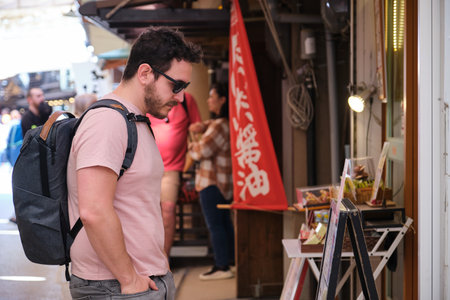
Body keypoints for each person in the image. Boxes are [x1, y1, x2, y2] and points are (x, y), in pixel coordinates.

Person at [67, 26, 202, 299]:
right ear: (145, 73)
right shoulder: (107, 121)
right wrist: (129, 278)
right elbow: (93, 210)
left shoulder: (133, 119)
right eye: (176, 86)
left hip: (133, 283)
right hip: (116, 286)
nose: (180, 97)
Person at [188, 83, 235, 281]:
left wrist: (191, 142)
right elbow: (210, 126)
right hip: (221, 183)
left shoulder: (219, 125)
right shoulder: (223, 123)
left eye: (212, 96)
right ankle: (227, 263)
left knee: (216, 225)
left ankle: (222, 265)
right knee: (223, 224)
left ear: (222, 100)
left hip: (211, 182)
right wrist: (202, 126)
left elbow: (201, 152)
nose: (208, 100)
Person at [147, 92, 202, 257]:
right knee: (146, 212)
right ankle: (148, 259)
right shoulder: (149, 97)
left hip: (172, 169)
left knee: (168, 210)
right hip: (148, 166)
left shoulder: (186, 99)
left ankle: (164, 259)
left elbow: (197, 129)